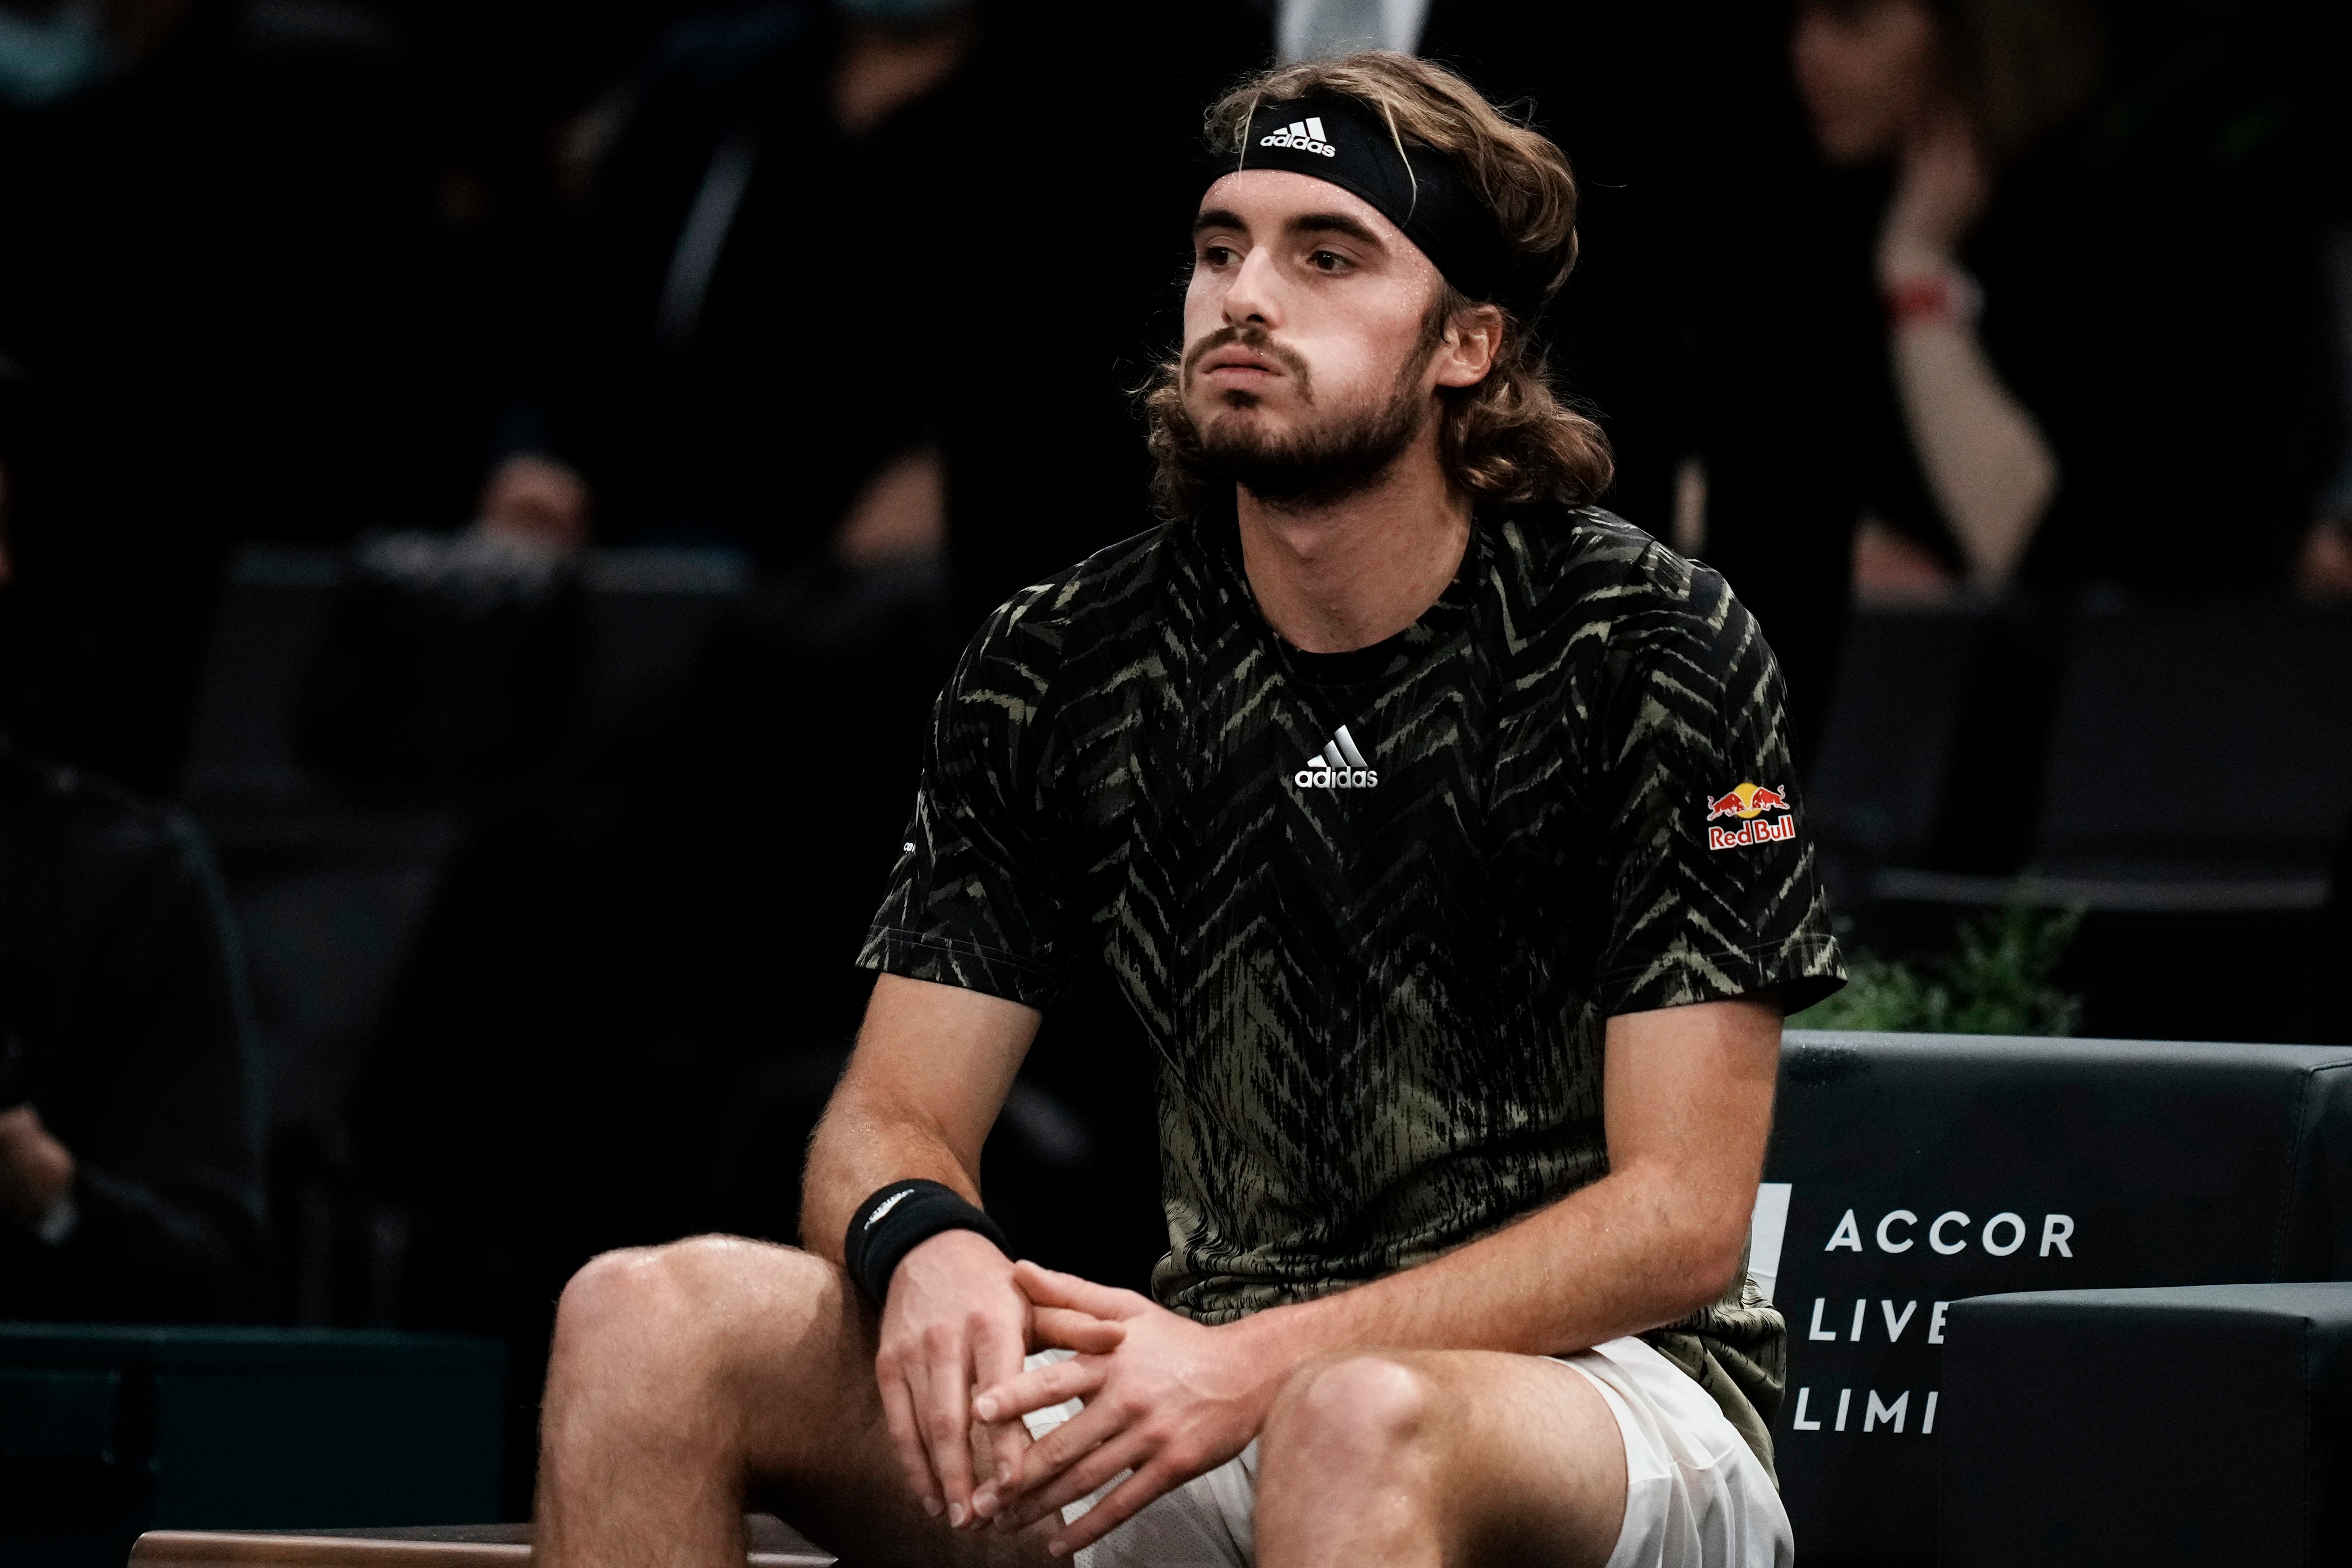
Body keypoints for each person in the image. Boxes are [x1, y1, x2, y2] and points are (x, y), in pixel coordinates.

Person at [534, 50, 1842, 1568]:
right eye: (1218, 249)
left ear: (1464, 344)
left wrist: (1255, 1364)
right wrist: (925, 1237)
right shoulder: (1065, 656)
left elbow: (1680, 1218)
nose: (1241, 295)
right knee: (643, 1319)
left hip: (1611, 1403)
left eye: (1324, 255)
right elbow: (888, 1117)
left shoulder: (1647, 642)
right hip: (1201, 1370)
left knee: (1353, 1415)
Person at [1792, 0, 2342, 599]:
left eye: (1851, 19)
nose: (1805, 53)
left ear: (1969, 33)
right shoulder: (1802, 221)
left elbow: (2045, 560)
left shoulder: (2109, 235)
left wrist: (1917, 277)